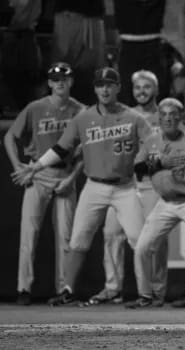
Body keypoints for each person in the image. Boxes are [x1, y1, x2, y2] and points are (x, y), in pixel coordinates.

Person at [12, 67, 152, 306]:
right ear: (95, 88)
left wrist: (144, 161)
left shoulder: (134, 118)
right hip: (94, 186)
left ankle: (147, 295)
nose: (104, 89)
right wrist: (35, 168)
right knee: (77, 239)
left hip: (125, 187)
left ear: (118, 87)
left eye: (109, 84)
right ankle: (67, 290)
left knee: (139, 240)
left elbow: (151, 142)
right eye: (100, 85)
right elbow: (61, 149)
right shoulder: (83, 118)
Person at [4, 62, 84, 305]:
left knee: (66, 237)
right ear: (49, 82)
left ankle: (63, 290)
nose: (60, 82)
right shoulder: (36, 107)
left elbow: (85, 152)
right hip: (38, 174)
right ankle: (23, 289)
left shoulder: (80, 110)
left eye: (64, 78)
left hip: (66, 174)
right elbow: (10, 136)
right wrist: (18, 165)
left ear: (71, 81)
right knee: (29, 235)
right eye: (55, 79)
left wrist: (72, 179)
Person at [86, 70, 167, 306]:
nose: (142, 91)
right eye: (137, 87)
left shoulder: (166, 115)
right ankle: (113, 288)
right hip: (126, 184)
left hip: (154, 184)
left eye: (147, 87)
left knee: (154, 239)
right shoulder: (124, 115)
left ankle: (156, 291)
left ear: (156, 89)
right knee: (111, 233)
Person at [127, 98, 185, 308]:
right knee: (142, 248)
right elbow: (138, 170)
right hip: (165, 203)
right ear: (158, 118)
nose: (168, 119)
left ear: (180, 118)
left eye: (173, 115)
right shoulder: (152, 141)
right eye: (163, 115)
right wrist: (161, 163)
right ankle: (146, 295)